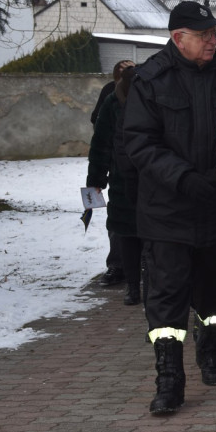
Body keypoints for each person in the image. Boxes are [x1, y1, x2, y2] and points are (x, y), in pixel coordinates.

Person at [124, 1, 216, 416]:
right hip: (167, 212)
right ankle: (169, 378)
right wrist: (183, 178)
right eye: (205, 36)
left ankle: (210, 352)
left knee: (215, 296)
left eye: (214, 34)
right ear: (179, 38)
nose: (214, 41)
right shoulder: (150, 79)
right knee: (166, 300)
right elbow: (139, 142)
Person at [86, 64, 142, 306]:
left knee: (149, 237)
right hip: (122, 181)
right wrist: (95, 182)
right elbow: (101, 143)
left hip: (152, 179)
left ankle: (147, 285)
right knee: (127, 237)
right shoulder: (112, 102)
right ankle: (133, 285)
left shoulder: (153, 98)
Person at [92, 59, 135, 286]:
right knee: (119, 224)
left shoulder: (146, 92)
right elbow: (100, 135)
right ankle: (117, 266)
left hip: (146, 173)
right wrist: (96, 180)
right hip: (118, 171)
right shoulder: (111, 95)